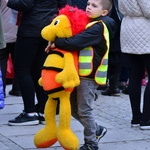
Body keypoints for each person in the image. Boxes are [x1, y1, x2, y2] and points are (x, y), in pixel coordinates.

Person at [47, 0, 116, 149]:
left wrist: (57, 42)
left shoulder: (98, 27)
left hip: (89, 76)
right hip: (79, 74)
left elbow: (75, 42)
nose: (89, 7)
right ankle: (96, 129)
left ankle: (91, 143)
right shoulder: (91, 23)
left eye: (94, 6)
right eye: (88, 4)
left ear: (104, 12)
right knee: (74, 108)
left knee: (84, 110)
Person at [6, 0, 68, 126]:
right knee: (40, 69)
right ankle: (43, 110)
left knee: (22, 69)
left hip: (31, 28)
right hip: (48, 28)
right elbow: (63, 4)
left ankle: (30, 112)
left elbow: (25, 4)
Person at [118, 0, 150, 130]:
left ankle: (136, 117)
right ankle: (146, 119)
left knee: (135, 74)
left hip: (129, 28)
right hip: (145, 30)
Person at [100, 0, 124, 96]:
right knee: (114, 54)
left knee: (111, 53)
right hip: (118, 19)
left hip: (112, 18)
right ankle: (113, 85)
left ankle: (112, 85)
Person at [0, 0, 21, 97]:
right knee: (19, 63)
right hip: (18, 32)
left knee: (1, 63)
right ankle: (17, 89)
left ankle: (1, 91)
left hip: (3, 32)